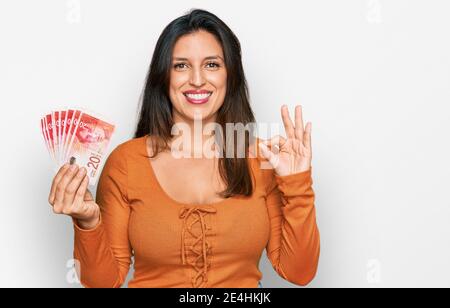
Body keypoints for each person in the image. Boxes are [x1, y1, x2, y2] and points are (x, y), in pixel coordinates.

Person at [48, 9, 320, 288]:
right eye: (181, 66)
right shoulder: (126, 162)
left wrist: (297, 184)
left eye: (212, 64)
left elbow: (299, 272)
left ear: (231, 75)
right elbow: (103, 282)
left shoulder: (264, 159)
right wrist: (88, 221)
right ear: (163, 77)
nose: (198, 80)